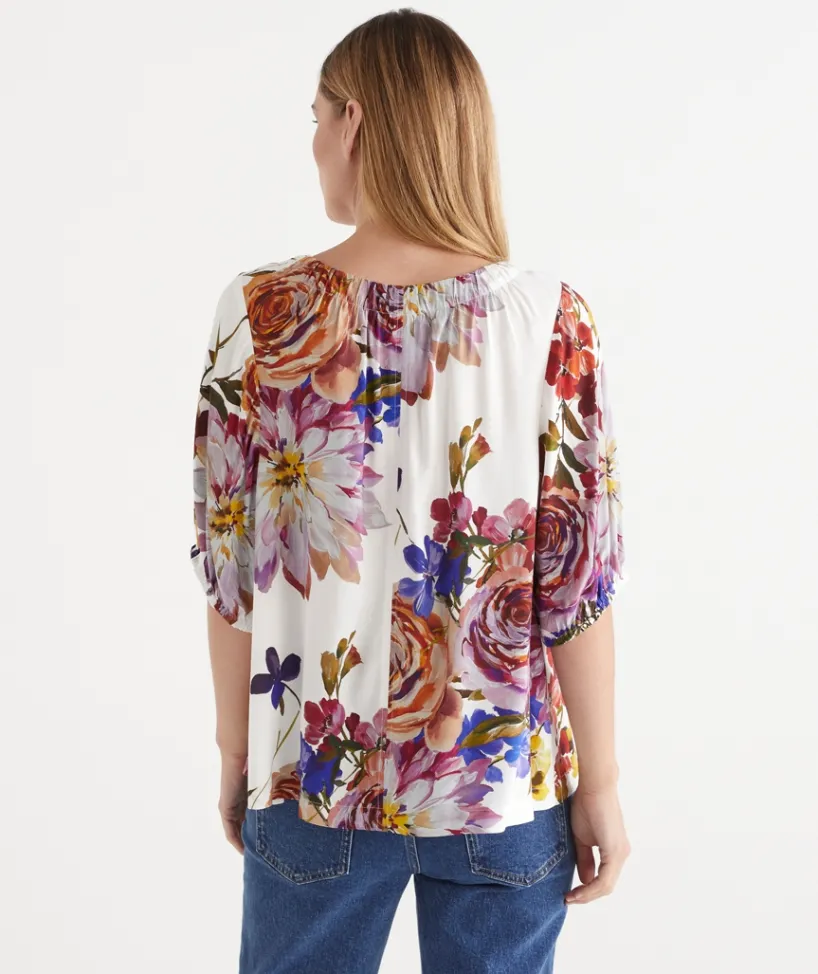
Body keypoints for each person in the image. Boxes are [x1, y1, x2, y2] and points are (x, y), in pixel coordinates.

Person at [189, 9, 630, 973]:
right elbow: (577, 587)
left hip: (313, 779)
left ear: (353, 120)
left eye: (316, 117)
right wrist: (600, 782)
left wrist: (236, 752)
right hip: (502, 784)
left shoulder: (259, 315)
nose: (313, 143)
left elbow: (231, 571)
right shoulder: (551, 320)